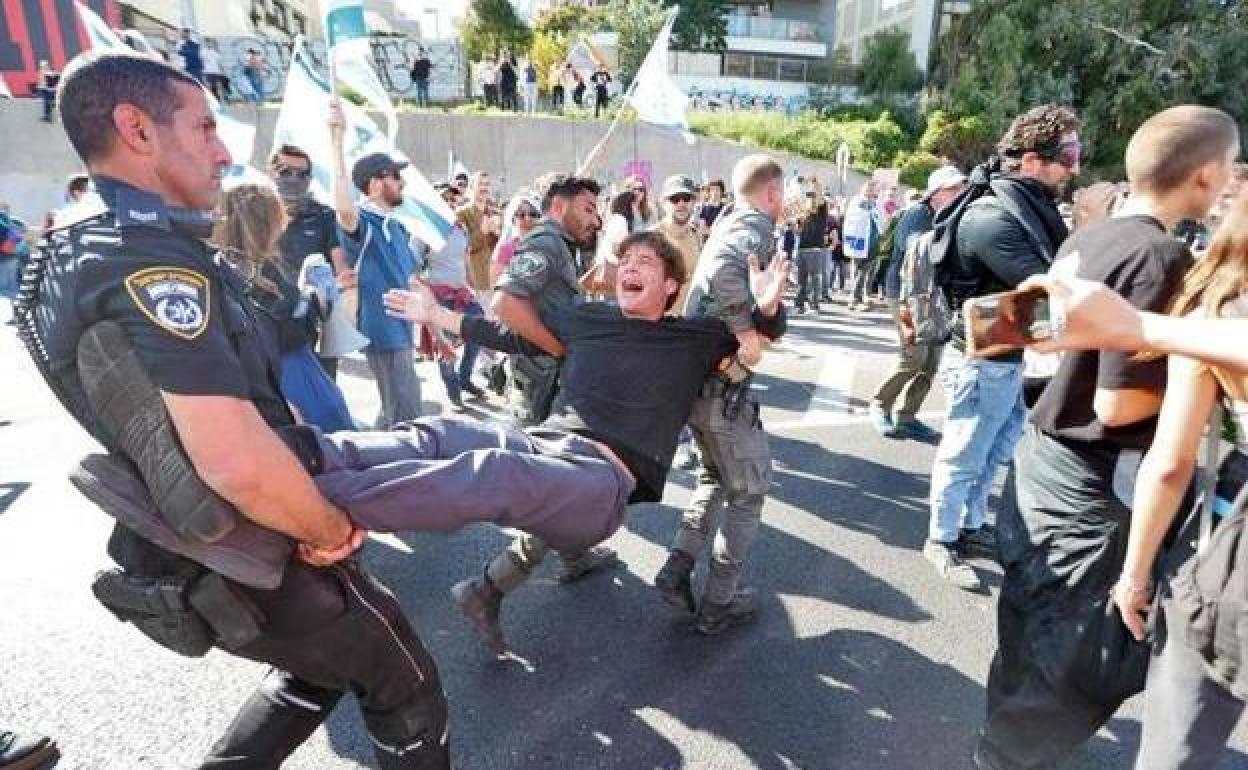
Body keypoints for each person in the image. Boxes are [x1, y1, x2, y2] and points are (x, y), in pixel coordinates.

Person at [18, 50, 449, 768]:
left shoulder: (81, 246)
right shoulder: (148, 262)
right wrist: (329, 528)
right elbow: (234, 460)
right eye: (205, 127)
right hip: (251, 539)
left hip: (188, 545)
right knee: (405, 685)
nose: (223, 150)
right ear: (137, 129)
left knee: (314, 676)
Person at [974, 105, 1239, 770]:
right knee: (1079, 660)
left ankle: (996, 749)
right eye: (1232, 168)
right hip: (1092, 484)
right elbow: (1116, 403)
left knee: (1026, 632)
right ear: (1206, 177)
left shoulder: (1087, 237)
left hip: (1041, 463)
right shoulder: (1163, 256)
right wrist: (1197, 382)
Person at [388, 230, 787, 652]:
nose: (630, 266)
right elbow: (514, 336)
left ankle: (489, 586)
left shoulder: (694, 336)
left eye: (646, 262)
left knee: (556, 505)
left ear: (671, 286)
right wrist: (437, 315)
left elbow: (759, 335)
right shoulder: (585, 317)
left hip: (616, 467)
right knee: (539, 492)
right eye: (626, 259)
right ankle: (481, 583)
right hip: (562, 446)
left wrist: (766, 306)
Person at [1115, 195, 1248, 770]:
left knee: (1180, 742)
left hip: (1232, 557)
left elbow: (1170, 463)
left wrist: (1135, 576)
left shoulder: (1213, 318)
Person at [923, 105, 1078, 593]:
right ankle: (941, 539)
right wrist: (1096, 225)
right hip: (978, 359)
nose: (1075, 167)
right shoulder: (992, 216)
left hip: (1008, 356)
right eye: (1068, 155)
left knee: (993, 449)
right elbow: (1057, 287)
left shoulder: (1022, 208)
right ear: (1032, 160)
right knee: (965, 449)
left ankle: (969, 525)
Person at [654, 154, 788, 635]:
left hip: (701, 384)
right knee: (749, 493)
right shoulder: (752, 227)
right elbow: (731, 274)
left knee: (713, 479)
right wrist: (746, 331)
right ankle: (719, 602)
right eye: (783, 193)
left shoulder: (729, 221)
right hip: (721, 385)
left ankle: (676, 570)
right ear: (772, 193)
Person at [488, 173, 619, 597]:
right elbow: (505, 302)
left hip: (545, 378)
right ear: (558, 206)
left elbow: (545, 301)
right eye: (586, 208)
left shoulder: (558, 246)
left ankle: (574, 555)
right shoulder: (546, 242)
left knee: (559, 470)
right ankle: (492, 585)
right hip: (541, 380)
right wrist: (555, 349)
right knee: (553, 476)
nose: (594, 220)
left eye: (596, 211)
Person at [215, 183, 355, 432]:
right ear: (265, 224)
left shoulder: (225, 266)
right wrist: (310, 301)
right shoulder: (255, 270)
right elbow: (280, 334)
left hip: (275, 379)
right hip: (291, 377)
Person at [329, 100, 426, 427]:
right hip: (383, 333)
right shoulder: (364, 222)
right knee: (407, 417)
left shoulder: (396, 227)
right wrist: (336, 140)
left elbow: (410, 281)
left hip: (402, 332)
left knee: (394, 415)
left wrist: (438, 333)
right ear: (374, 183)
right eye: (395, 176)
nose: (402, 183)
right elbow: (343, 210)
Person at [868, 165, 966, 440]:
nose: (961, 193)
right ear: (935, 194)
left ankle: (908, 416)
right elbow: (917, 251)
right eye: (953, 189)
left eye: (961, 188)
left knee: (932, 362)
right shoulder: (917, 215)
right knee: (913, 356)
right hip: (904, 295)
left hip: (936, 297)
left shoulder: (952, 217)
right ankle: (880, 403)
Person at [270, 143, 351, 378]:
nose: (294, 179)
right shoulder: (256, 214)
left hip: (313, 323)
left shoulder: (323, 215)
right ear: (271, 173)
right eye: (285, 172)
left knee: (321, 397)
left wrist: (346, 285)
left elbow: (340, 265)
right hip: (266, 323)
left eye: (302, 174)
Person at [656, 174, 704, 313]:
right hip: (660, 323)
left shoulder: (696, 236)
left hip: (690, 322)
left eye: (687, 198)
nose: (681, 204)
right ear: (664, 203)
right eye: (675, 199)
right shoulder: (652, 237)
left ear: (694, 202)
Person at [456, 171, 501, 306]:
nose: (484, 188)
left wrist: (499, 233)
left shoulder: (497, 213)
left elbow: (506, 248)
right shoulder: (461, 214)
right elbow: (462, 247)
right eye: (480, 184)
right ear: (471, 187)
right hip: (476, 282)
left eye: (487, 184)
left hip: (497, 281)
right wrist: (482, 232)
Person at [843, 180, 881, 311]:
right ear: (862, 189)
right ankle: (854, 299)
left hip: (872, 244)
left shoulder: (875, 204)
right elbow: (864, 208)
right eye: (868, 188)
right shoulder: (857, 201)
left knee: (864, 273)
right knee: (859, 272)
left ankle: (858, 298)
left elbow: (879, 220)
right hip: (859, 242)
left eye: (873, 189)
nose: (870, 191)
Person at [491, 190, 542, 283]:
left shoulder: (548, 245)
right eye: (521, 214)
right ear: (513, 219)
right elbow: (495, 283)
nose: (527, 219)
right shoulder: (505, 248)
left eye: (533, 214)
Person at [794, 181, 829, 314]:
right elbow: (797, 231)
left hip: (815, 249)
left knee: (814, 278)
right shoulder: (804, 215)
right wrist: (796, 224)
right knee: (801, 279)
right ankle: (799, 305)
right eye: (808, 196)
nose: (809, 198)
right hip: (802, 249)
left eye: (812, 196)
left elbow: (820, 198)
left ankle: (814, 306)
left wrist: (815, 185)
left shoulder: (821, 210)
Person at [595, 190, 635, 269]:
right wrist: (618, 263)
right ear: (627, 204)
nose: (635, 207)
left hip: (608, 264)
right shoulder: (619, 220)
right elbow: (608, 245)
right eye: (633, 203)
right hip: (608, 265)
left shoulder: (619, 219)